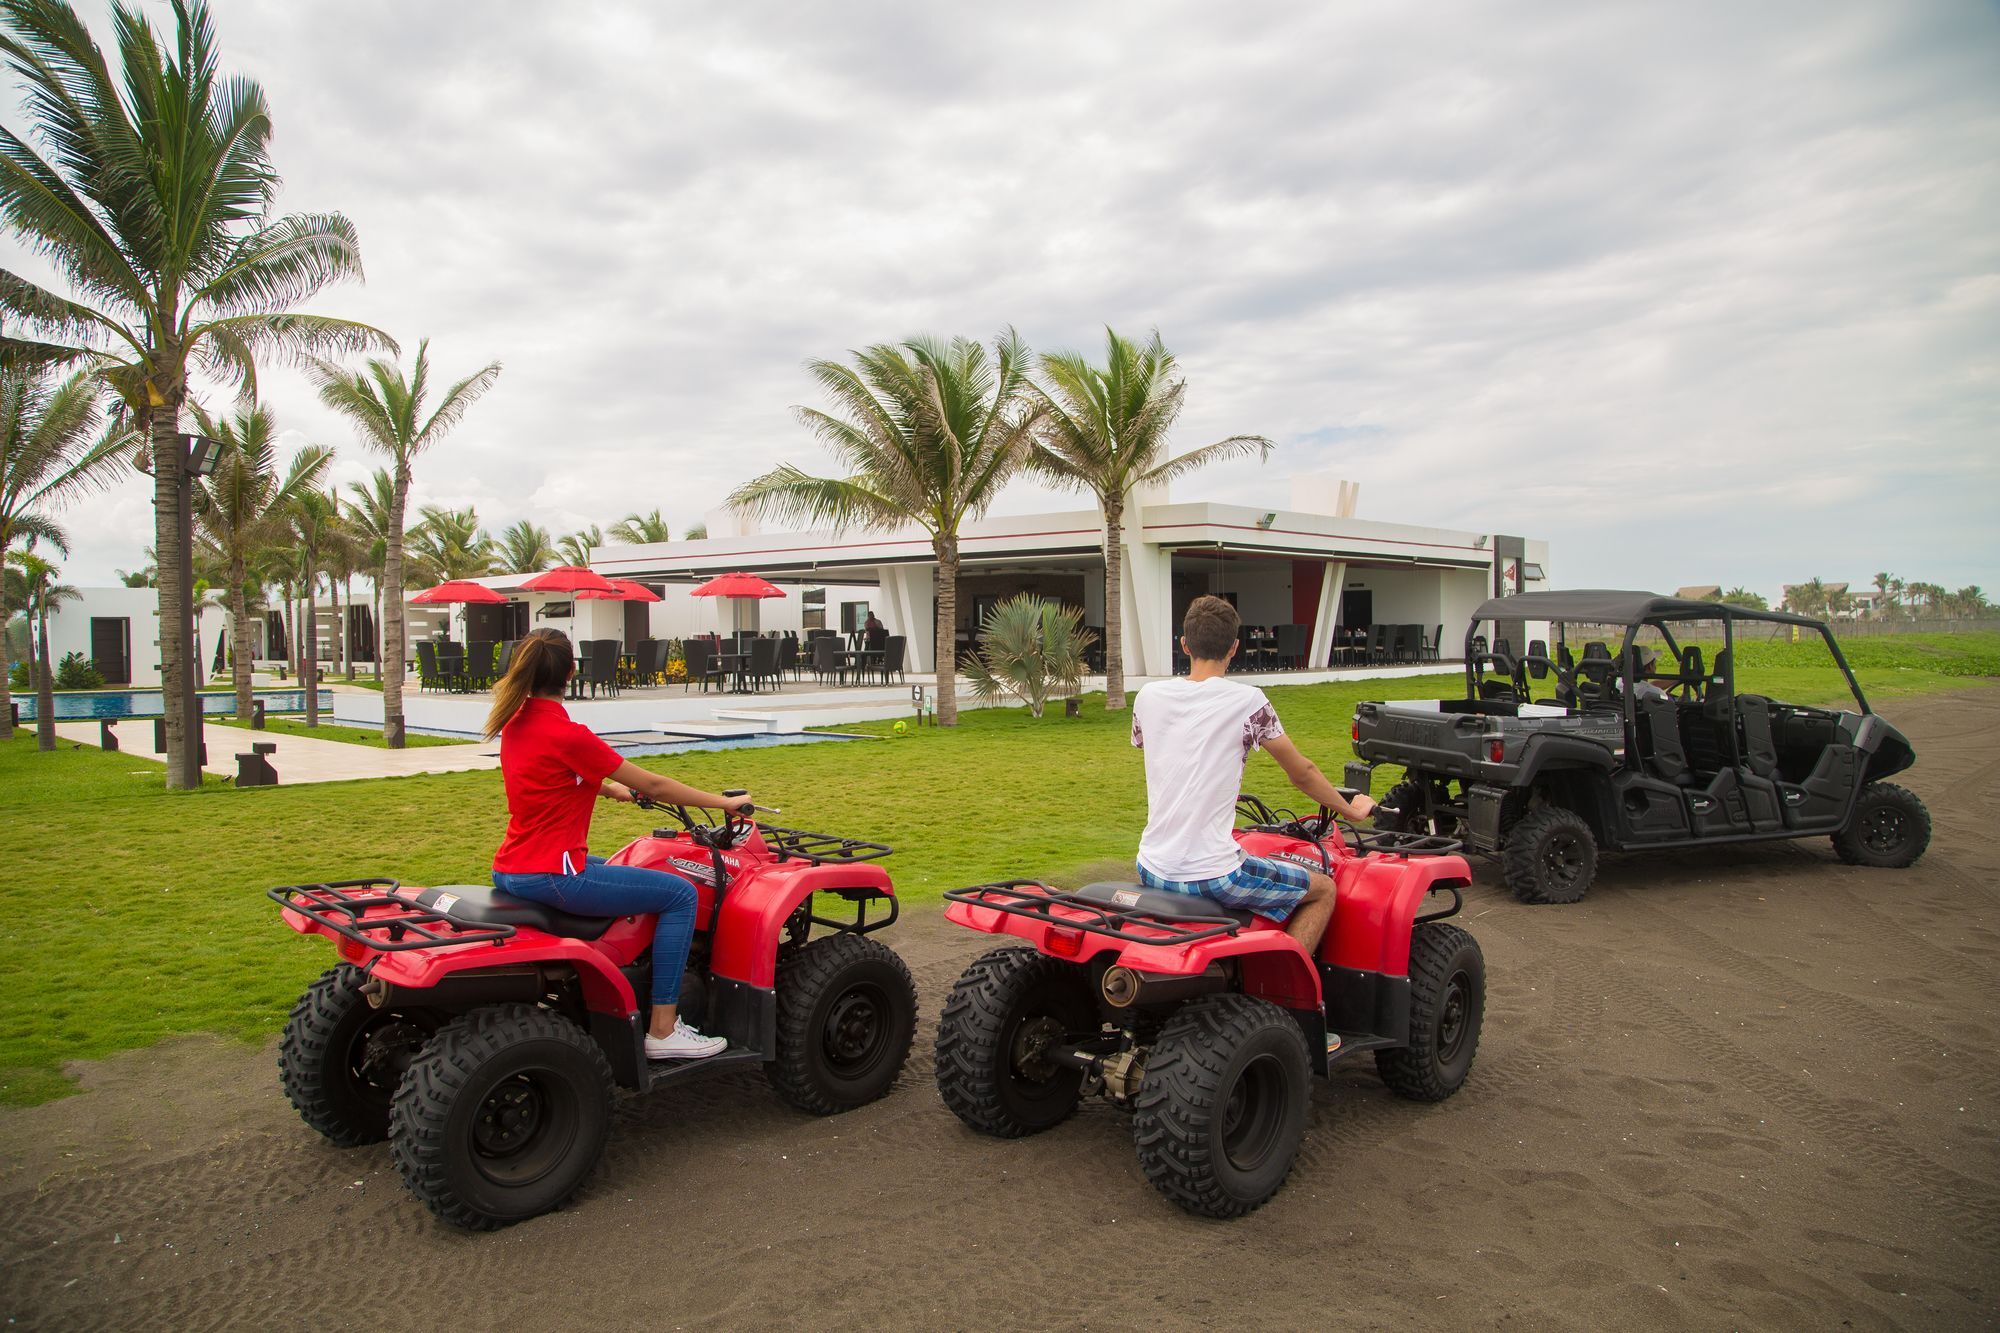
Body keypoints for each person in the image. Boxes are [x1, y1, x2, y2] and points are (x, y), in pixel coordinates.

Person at [483, 629, 747, 1061]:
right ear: (572, 671)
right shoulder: (569, 734)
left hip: (513, 867)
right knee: (679, 894)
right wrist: (726, 803)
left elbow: (546, 778)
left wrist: (608, 791)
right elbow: (655, 783)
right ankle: (663, 1029)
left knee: (625, 867)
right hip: (556, 873)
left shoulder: (515, 724)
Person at [1131, 596, 1376, 951]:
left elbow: (1159, 747)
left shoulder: (1148, 696)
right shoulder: (1248, 701)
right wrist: (1353, 810)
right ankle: (1289, 996)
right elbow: (1302, 772)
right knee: (1323, 889)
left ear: (1184, 644)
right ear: (1234, 648)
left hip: (1151, 865)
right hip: (1213, 875)